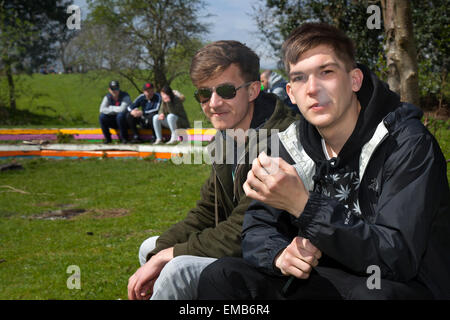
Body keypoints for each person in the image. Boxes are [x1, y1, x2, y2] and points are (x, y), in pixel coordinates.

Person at [198, 23, 450, 300]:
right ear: (291, 93)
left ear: (355, 80)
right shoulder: (289, 145)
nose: (312, 89)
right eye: (300, 78)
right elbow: (257, 226)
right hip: (322, 280)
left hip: (396, 284)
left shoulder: (407, 144)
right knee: (223, 276)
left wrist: (304, 206)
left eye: (326, 72)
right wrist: (279, 254)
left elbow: (396, 258)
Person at [127, 40, 300, 300]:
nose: (214, 103)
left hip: (275, 265)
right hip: (239, 249)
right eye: (203, 94)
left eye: (226, 90)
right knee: (148, 248)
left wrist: (168, 255)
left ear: (253, 90)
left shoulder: (280, 143)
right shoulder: (226, 137)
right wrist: (160, 252)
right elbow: (207, 211)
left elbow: (242, 232)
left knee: (176, 269)